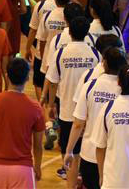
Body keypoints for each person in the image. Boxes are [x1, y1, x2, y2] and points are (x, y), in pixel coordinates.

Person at [43, 16, 100, 179]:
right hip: (89, 111)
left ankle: (69, 175)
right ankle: (80, 173)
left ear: (69, 31)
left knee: (68, 149)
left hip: (68, 110)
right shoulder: (95, 54)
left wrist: (51, 103)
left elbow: (53, 82)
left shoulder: (61, 52)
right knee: (84, 147)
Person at [64, 44, 127, 189]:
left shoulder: (90, 86)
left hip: (90, 154)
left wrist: (69, 151)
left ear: (104, 63)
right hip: (115, 158)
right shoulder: (126, 89)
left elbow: (78, 123)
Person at [0, 57, 45, 188]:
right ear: (27, 78)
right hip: (22, 168)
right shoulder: (35, 107)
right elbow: (37, 146)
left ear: (7, 76)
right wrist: (38, 166)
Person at [90, 66, 129, 189]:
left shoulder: (108, 108)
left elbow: (100, 147)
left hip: (113, 181)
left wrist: (101, 175)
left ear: (118, 82)